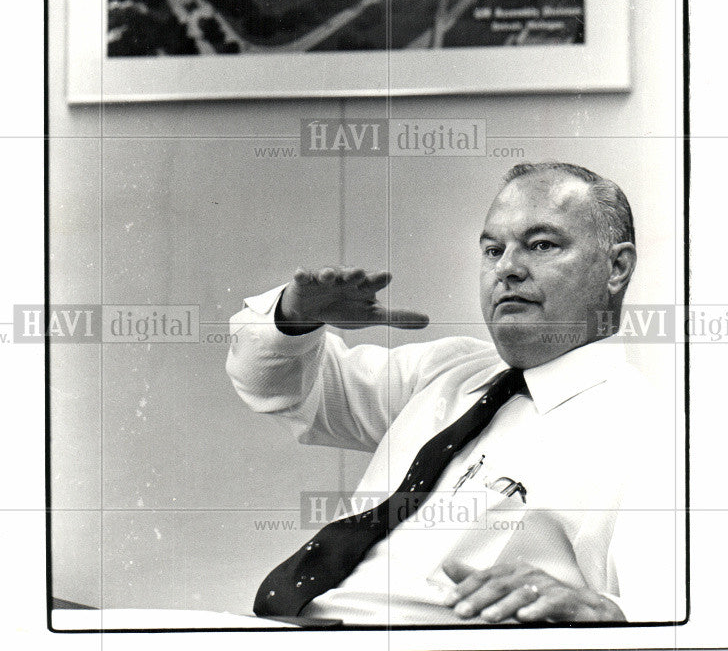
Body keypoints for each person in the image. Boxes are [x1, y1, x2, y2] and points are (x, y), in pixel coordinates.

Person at [226, 162, 678, 625]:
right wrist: (294, 318)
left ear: (617, 268)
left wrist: (603, 611)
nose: (507, 269)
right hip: (286, 632)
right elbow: (280, 390)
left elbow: (673, 619)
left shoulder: (647, 435)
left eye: (542, 245)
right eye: (492, 249)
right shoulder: (448, 373)